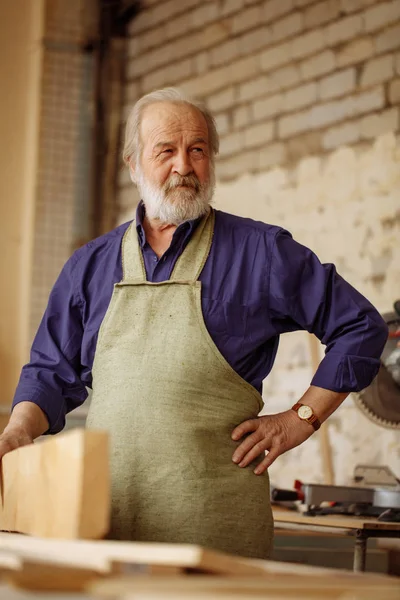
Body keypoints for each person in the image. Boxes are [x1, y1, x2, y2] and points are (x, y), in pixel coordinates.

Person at [2, 88, 388, 559]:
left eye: (198, 150)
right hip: (108, 527)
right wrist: (19, 429)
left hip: (217, 531)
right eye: (166, 150)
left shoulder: (260, 252)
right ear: (133, 164)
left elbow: (362, 327)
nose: (184, 165)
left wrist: (300, 418)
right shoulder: (89, 266)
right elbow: (50, 373)